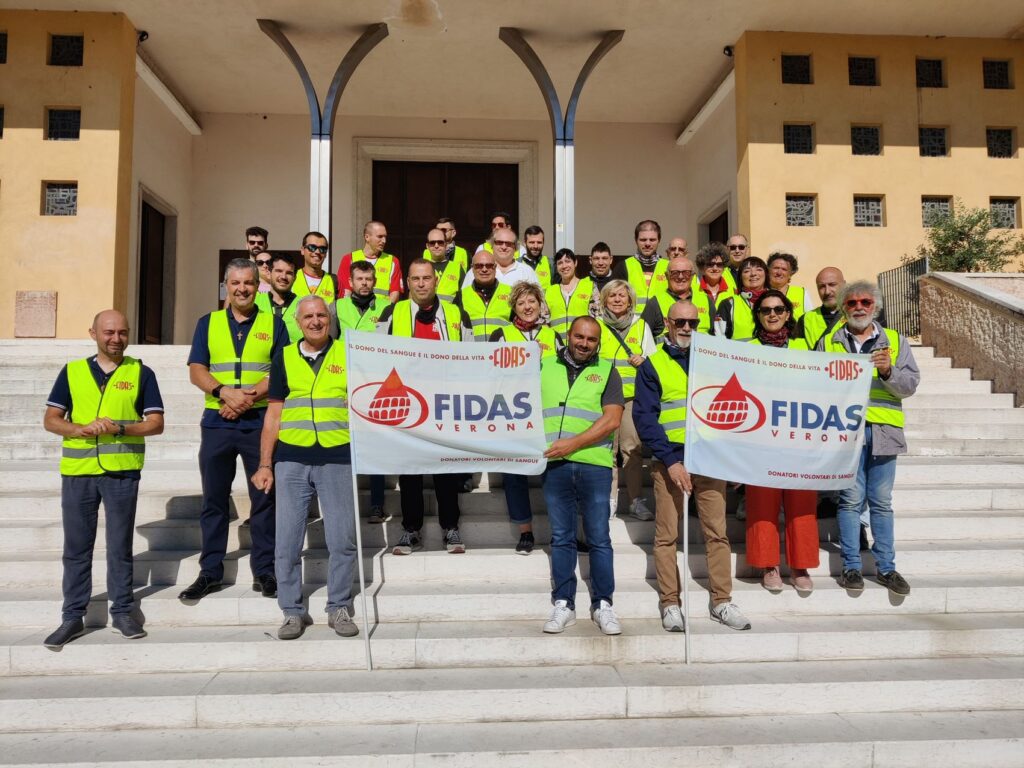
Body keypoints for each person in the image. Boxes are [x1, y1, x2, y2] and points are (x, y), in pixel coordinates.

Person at [41, 310, 165, 649]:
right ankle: (72, 616)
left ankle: (123, 610)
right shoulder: (73, 372)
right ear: (93, 332)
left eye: (122, 332)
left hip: (121, 471)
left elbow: (156, 423)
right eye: (109, 332)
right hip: (79, 472)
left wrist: (121, 428)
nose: (116, 338)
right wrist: (78, 428)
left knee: (120, 546)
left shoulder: (141, 372)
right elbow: (51, 419)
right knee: (77, 548)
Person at [632, 300, 752, 631]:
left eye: (693, 323)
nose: (686, 328)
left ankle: (722, 602)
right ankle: (670, 603)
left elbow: (732, 410)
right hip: (670, 461)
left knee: (717, 533)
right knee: (667, 535)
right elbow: (645, 417)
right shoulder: (652, 365)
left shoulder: (713, 362)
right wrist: (670, 461)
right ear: (668, 324)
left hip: (710, 460)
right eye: (680, 322)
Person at [252, 295, 360, 640]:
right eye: (309, 316)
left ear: (330, 319)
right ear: (297, 322)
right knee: (286, 541)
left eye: (321, 316)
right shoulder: (283, 357)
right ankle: (292, 611)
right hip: (292, 460)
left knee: (342, 538)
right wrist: (265, 463)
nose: (316, 321)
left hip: (337, 457)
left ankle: (339, 606)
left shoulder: (349, 353)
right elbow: (274, 414)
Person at [181, 258, 288, 602]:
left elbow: (280, 372)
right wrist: (223, 392)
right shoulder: (207, 323)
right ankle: (210, 571)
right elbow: (197, 369)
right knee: (214, 500)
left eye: (249, 283)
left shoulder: (275, 324)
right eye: (236, 283)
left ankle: (265, 570)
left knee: (264, 498)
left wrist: (248, 396)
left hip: (259, 424)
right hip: (218, 423)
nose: (242, 289)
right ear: (226, 285)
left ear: (260, 286)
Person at [818, 281, 920, 596]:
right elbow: (817, 388)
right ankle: (851, 567)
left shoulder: (894, 341)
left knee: (881, 503)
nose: (858, 307)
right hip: (846, 435)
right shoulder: (829, 342)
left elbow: (910, 385)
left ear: (874, 306)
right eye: (851, 303)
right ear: (844, 308)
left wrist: (889, 372)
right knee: (849, 501)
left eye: (864, 301)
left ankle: (886, 568)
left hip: (884, 433)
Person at [541, 316, 625, 635]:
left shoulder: (607, 370)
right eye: (579, 337)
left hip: (594, 464)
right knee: (561, 536)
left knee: (599, 537)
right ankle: (564, 603)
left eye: (591, 340)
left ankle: (603, 604)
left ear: (598, 342)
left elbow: (613, 419)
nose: (584, 344)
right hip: (554, 465)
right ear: (568, 336)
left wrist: (572, 444)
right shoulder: (543, 365)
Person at [380, 259, 465, 554]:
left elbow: (472, 355)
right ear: (407, 282)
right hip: (407, 405)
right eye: (415, 278)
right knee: (410, 470)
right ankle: (410, 529)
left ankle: (451, 528)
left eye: (426, 278)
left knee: (446, 470)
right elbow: (375, 353)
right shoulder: (393, 311)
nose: (420, 283)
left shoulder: (455, 313)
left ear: (436, 280)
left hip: (444, 404)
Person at [745, 290, 819, 594]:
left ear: (788, 313)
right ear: (758, 316)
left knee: (801, 505)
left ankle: (799, 565)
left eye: (778, 309)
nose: (772, 315)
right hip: (760, 440)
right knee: (762, 504)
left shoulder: (805, 348)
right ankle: (769, 564)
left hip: (798, 438)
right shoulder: (745, 349)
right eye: (765, 310)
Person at [489, 281, 562, 554]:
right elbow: (491, 372)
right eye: (521, 303)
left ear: (540, 304)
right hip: (515, 414)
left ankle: (560, 532)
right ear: (514, 307)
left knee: (555, 474)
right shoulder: (502, 334)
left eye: (532, 302)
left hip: (548, 413)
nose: (528, 307)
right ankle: (525, 531)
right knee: (514, 473)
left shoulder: (553, 335)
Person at [332, 260, 392, 524]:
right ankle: (343, 504)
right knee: (344, 445)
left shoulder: (386, 309)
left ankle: (377, 504)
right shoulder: (336, 307)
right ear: (350, 282)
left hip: (374, 382)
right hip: (343, 381)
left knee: (375, 446)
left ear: (375, 282)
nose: (364, 284)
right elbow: (331, 343)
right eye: (359, 279)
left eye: (369, 279)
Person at [596, 279, 657, 519]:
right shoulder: (598, 325)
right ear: (604, 300)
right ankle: (609, 500)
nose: (618, 300)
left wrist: (644, 360)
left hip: (632, 397)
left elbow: (653, 363)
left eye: (622, 295)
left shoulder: (641, 326)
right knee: (607, 450)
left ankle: (635, 501)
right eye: (612, 296)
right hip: (603, 397)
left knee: (632, 448)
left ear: (630, 299)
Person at [337, 221, 402, 303]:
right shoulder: (349, 259)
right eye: (380, 236)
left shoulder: (392, 261)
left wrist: (385, 312)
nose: (384, 241)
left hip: (382, 312)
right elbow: (345, 293)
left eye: (385, 237)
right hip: (356, 311)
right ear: (367, 237)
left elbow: (395, 293)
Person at [612, 219, 668, 311]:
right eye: (643, 240)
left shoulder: (668, 267)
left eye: (652, 240)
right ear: (636, 240)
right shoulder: (623, 266)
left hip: (663, 323)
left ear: (659, 240)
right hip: (633, 324)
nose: (647, 244)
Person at [650, 254, 711, 339]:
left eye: (686, 273)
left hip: (700, 351)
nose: (680, 277)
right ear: (667, 275)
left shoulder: (706, 300)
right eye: (675, 273)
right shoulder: (655, 303)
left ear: (693, 276)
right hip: (667, 352)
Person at [460, 250, 513, 340]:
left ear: (495, 267)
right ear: (472, 268)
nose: (484, 269)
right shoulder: (461, 295)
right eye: (479, 266)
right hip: (473, 352)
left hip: (501, 352)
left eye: (489, 266)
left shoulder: (511, 293)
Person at [463, 229, 539, 289]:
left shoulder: (527, 272)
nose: (504, 247)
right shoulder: (478, 270)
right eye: (499, 242)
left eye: (508, 244)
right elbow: (464, 298)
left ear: (515, 247)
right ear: (492, 245)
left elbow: (539, 303)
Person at [717, 255, 769, 341]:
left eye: (759, 269)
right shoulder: (728, 304)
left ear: (766, 275)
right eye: (747, 271)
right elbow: (718, 338)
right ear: (740, 277)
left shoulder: (778, 301)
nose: (753, 274)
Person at [545, 249, 593, 336]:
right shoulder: (550, 291)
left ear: (575, 263)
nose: (564, 266)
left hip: (582, 345)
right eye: (560, 263)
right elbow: (543, 322)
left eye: (567, 261)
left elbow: (598, 319)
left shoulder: (589, 287)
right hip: (557, 346)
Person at [254, 254, 302, 342]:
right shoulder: (254, 302)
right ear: (269, 273)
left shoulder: (303, 305)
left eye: (289, 273)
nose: (283, 277)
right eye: (279, 271)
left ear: (294, 278)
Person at [796, 266, 846, 349]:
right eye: (822, 287)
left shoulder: (857, 316)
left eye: (832, 285)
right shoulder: (805, 320)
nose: (827, 291)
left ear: (844, 285)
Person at [692, 242, 736, 326]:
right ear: (702, 267)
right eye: (710, 264)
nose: (715, 268)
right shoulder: (693, 289)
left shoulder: (733, 290)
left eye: (719, 265)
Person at [291, 231, 339, 304]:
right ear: (302, 250)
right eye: (312, 247)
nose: (317, 252)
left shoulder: (335, 281)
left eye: (322, 249)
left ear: (326, 254)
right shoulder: (291, 277)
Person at [423, 227, 466, 302]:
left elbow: (464, 298)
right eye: (432, 243)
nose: (436, 246)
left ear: (446, 245)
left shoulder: (457, 268)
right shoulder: (421, 268)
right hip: (426, 313)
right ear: (427, 246)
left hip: (451, 313)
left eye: (440, 242)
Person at [766, 252, 813, 320]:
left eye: (784, 269)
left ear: (790, 274)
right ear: (768, 271)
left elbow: (810, 319)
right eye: (776, 268)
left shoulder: (802, 293)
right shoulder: (761, 293)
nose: (779, 272)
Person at [519, 225, 552, 289]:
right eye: (532, 242)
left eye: (539, 242)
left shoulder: (551, 264)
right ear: (525, 243)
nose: (536, 246)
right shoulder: (516, 263)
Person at [246, 226, 272, 293]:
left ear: (266, 245)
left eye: (260, 243)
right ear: (246, 245)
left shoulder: (273, 266)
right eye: (252, 242)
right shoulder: (241, 268)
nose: (256, 245)